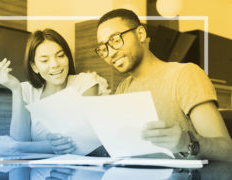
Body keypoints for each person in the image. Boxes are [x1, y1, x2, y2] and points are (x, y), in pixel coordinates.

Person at [95, 8, 232, 161]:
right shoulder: (123, 88)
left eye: (115, 40)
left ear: (140, 34)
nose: (110, 53)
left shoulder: (185, 74)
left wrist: (187, 143)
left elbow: (227, 150)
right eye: (103, 48)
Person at [0, 28, 110, 155]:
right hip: (38, 172)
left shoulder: (85, 83)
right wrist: (16, 90)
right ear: (34, 66)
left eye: (60, 56)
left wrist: (18, 147)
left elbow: (77, 141)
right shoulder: (26, 90)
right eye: (44, 60)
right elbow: (20, 139)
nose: (55, 64)